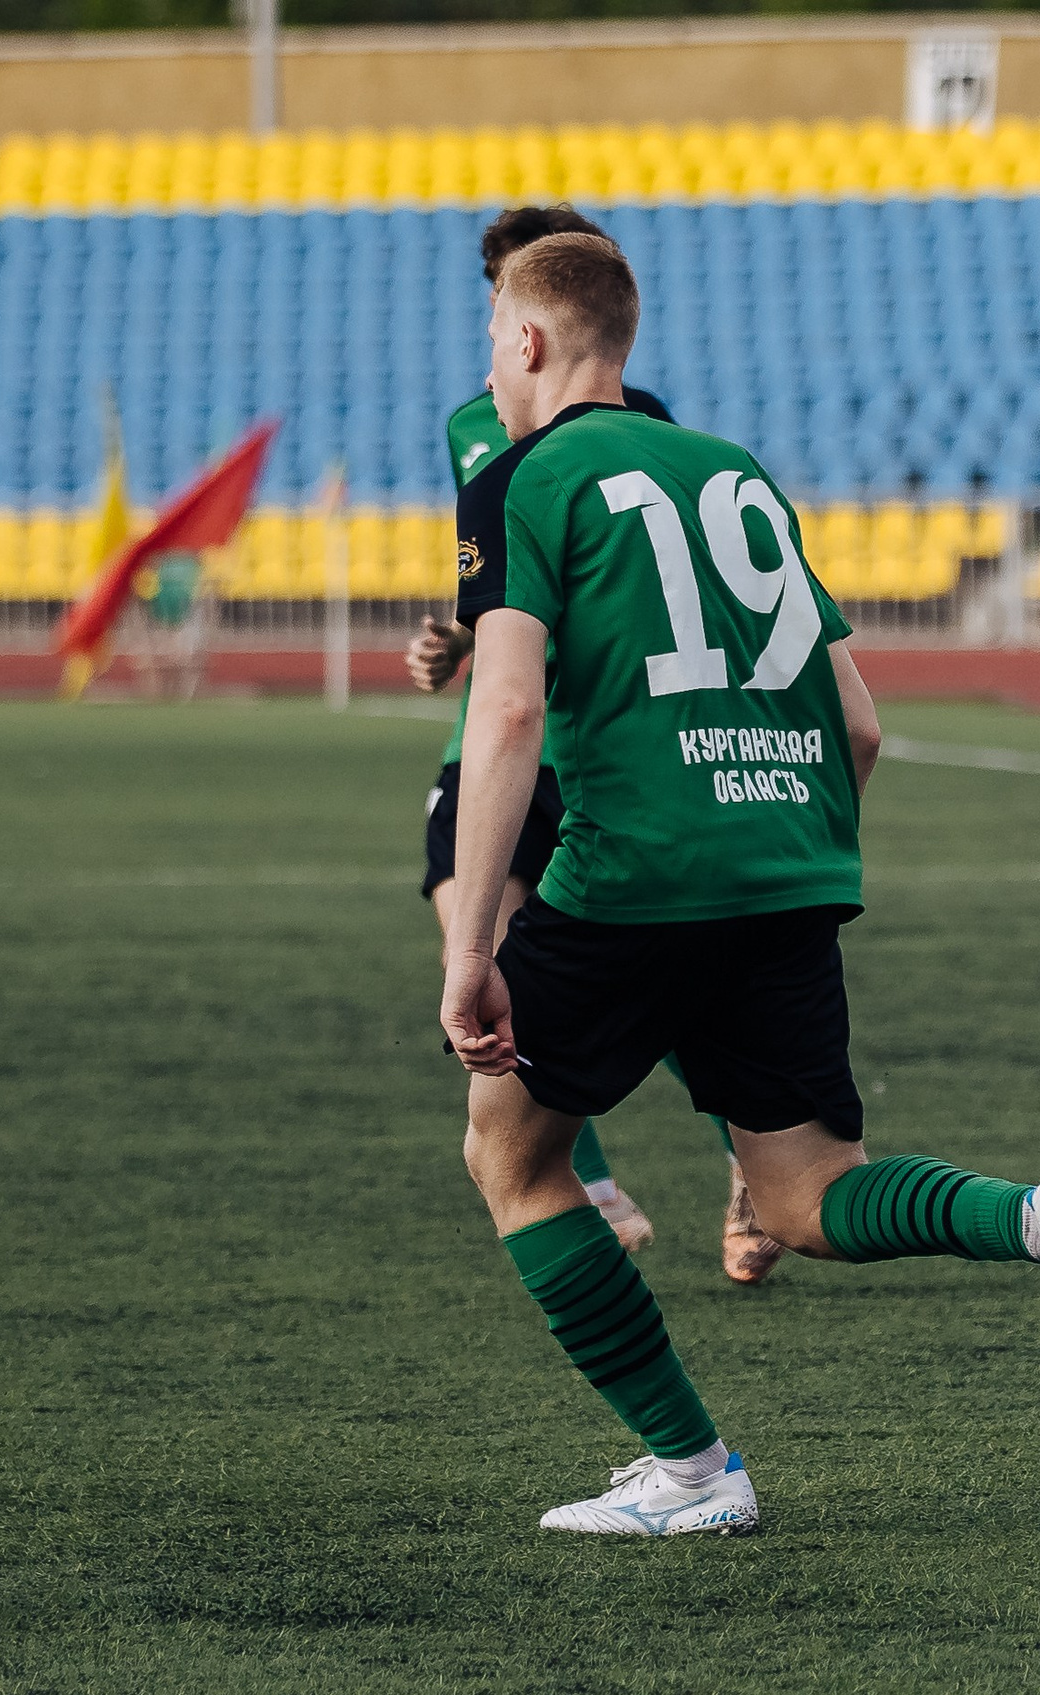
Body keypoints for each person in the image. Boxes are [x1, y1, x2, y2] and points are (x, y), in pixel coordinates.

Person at [440, 234, 1040, 1536]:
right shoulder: (735, 471)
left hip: (635, 868)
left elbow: (504, 713)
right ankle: (1035, 1213)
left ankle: (692, 1469)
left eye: (496, 338)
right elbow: (865, 725)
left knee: (510, 1148)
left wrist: (471, 942)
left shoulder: (523, 476)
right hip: (787, 861)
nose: (491, 365)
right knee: (802, 1190)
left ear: (533, 341)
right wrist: (778, 839)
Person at [408, 204, 785, 1284]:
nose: (492, 319)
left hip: (600, 736)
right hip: (499, 727)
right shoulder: (468, 430)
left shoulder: (636, 424)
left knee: (635, 962)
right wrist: (453, 645)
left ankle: (745, 1166)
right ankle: (597, 1184)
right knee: (472, 920)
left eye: (502, 300)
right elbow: (501, 597)